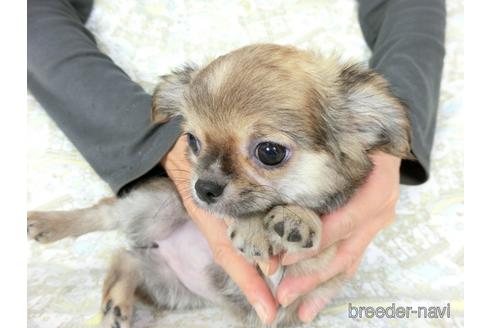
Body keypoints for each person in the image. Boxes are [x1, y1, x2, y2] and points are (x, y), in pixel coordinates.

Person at [27, 0, 446, 324]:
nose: (207, 179)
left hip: (211, 291)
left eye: (268, 152)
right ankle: (106, 233)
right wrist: (150, 139)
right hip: (172, 224)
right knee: (158, 203)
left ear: (361, 124)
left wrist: (399, 133)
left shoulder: (348, 116)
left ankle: (129, 271)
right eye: (193, 140)